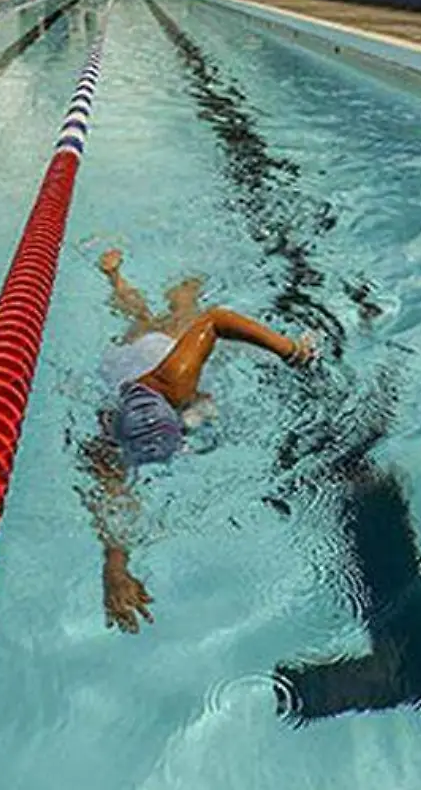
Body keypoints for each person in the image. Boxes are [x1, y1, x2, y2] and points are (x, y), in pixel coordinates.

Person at [82, 248, 315, 633]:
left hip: (151, 354)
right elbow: (112, 502)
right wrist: (114, 568)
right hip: (127, 361)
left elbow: (217, 319)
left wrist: (291, 351)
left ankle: (161, 280)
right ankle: (116, 276)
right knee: (142, 319)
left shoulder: (150, 397)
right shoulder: (118, 423)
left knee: (177, 311)